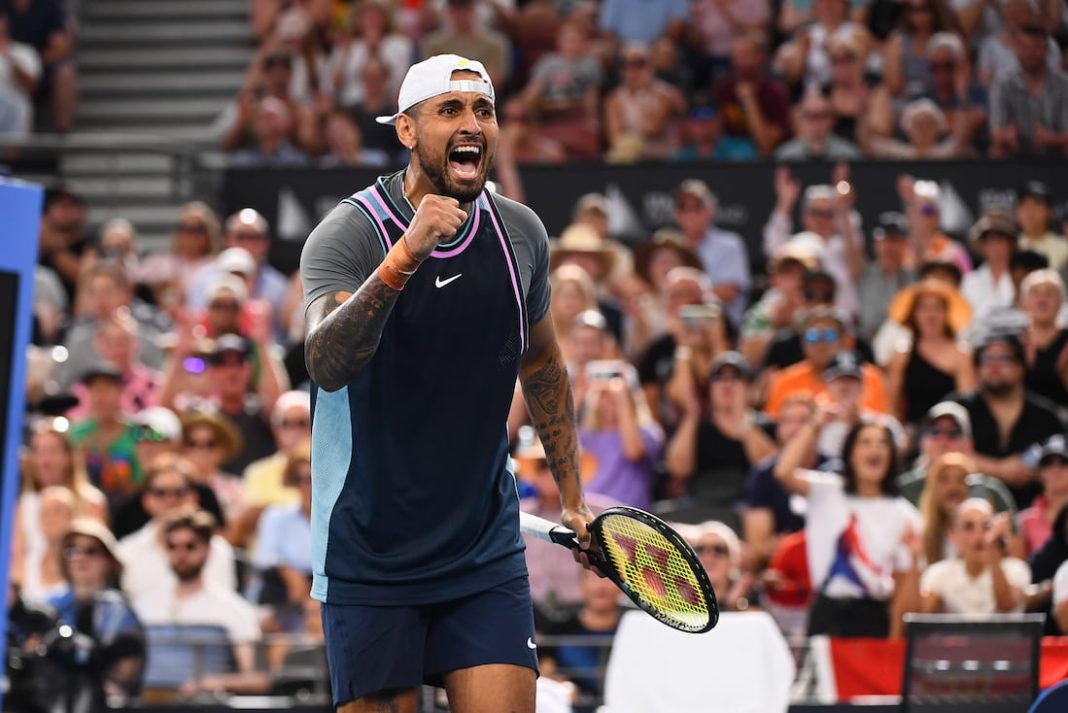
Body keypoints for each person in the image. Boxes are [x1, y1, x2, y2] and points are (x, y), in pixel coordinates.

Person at [299, 54, 596, 713]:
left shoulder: (520, 234)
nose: (473, 124)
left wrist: (573, 497)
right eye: (451, 110)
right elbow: (326, 360)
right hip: (370, 551)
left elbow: (543, 364)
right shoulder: (350, 233)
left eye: (483, 110)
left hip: (481, 549)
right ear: (407, 131)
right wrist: (406, 253)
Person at [776, 418, 922, 638]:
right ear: (851, 453)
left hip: (874, 617)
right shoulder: (826, 491)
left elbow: (903, 588)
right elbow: (783, 473)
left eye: (882, 443)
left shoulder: (906, 515)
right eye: (865, 442)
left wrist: (892, 640)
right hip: (827, 613)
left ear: (892, 455)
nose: (874, 449)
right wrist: (814, 425)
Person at [133, 508, 268, 696]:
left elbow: (256, 679)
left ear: (208, 549)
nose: (181, 554)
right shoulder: (143, 606)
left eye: (190, 546)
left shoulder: (234, 609)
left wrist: (210, 683)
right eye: (172, 546)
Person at [48, 518, 145, 707]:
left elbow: (126, 667)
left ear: (109, 560)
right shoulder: (49, 604)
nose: (80, 557)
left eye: (91, 551)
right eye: (72, 551)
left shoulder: (119, 611)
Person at [884, 279, 975, 426]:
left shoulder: (962, 354)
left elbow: (967, 405)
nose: (930, 315)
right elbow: (892, 406)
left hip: (951, 432)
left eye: (937, 308)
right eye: (923, 308)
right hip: (913, 434)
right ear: (914, 314)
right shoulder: (902, 353)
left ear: (946, 313)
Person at [919, 498, 1030, 614]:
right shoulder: (938, 573)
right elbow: (922, 611)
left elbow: (1006, 605)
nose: (979, 535)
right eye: (969, 527)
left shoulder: (1016, 569)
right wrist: (914, 556)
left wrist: (993, 550)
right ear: (953, 535)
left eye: (986, 526)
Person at [1021, 269, 1068, 407]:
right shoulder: (1013, 343)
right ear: (1024, 302)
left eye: (1050, 293)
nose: (1042, 300)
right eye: (1035, 293)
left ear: (1061, 302)